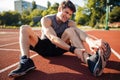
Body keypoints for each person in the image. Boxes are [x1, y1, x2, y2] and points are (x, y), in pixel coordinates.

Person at [8, 0, 111, 78]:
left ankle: (89, 61)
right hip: (45, 47)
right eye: (66, 12)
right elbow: (52, 38)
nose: (67, 16)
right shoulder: (47, 20)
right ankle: (25, 61)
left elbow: (79, 32)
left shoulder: (70, 23)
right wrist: (73, 49)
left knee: (71, 30)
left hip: (59, 48)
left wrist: (90, 41)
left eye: (70, 14)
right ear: (59, 9)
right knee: (24, 28)